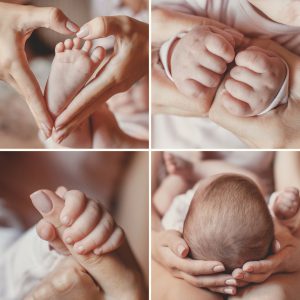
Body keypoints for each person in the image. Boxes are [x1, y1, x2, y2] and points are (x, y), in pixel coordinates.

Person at [151, 0, 300, 148]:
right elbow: (157, 42)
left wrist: (273, 95)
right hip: (178, 132)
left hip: (236, 143)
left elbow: (288, 112)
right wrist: (177, 52)